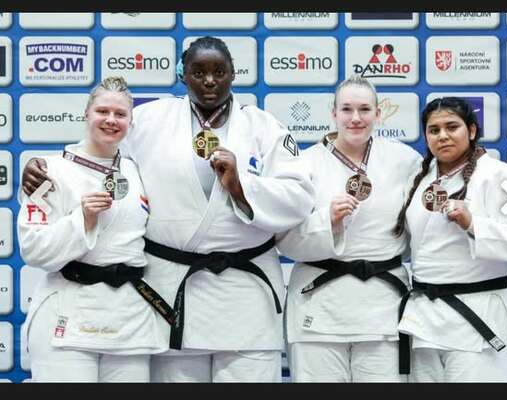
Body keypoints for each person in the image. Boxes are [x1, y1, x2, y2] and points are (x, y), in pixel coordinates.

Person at [21, 36, 314, 383]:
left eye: (219, 72)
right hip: (171, 289)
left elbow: (299, 197)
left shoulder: (264, 126)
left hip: (245, 291)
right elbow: (101, 152)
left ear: (234, 73)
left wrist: (241, 187)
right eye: (198, 72)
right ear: (182, 75)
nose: (209, 81)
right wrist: (47, 167)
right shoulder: (150, 119)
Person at [17, 76, 168, 382]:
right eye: (102, 111)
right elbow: (33, 249)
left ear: (130, 122)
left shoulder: (137, 171)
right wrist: (82, 219)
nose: (111, 120)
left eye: (120, 114)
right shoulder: (49, 170)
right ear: (86, 114)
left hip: (128, 320)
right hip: (68, 316)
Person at [276, 74, 422, 382]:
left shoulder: (405, 161)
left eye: (365, 109)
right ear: (333, 113)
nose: (356, 118)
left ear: (378, 113)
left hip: (383, 305)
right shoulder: (304, 164)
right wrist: (326, 220)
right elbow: (283, 239)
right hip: (319, 304)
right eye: (346, 109)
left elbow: (423, 229)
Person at [394, 96, 507, 382]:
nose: (443, 136)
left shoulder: (500, 177)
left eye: (452, 127)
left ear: (471, 130)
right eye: (434, 130)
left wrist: (473, 224)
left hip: (478, 318)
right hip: (425, 320)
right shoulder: (420, 180)